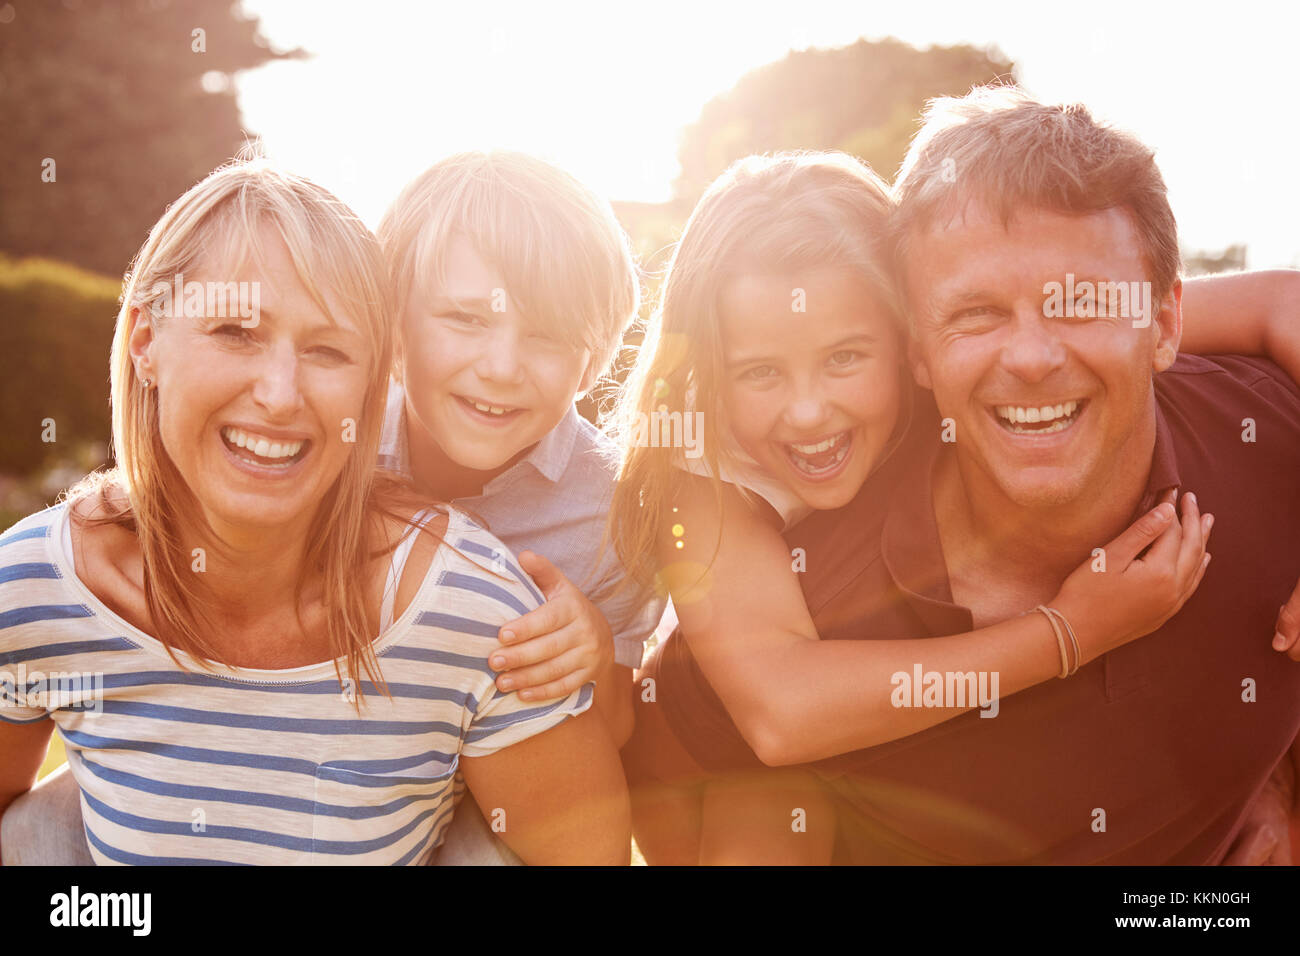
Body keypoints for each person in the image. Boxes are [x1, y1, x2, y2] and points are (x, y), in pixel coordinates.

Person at [619, 90, 1300, 864]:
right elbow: (770, 718)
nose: (1032, 356)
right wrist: (1068, 633)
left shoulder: (1239, 409)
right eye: (976, 314)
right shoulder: (736, 515)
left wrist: (1276, 778)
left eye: (845, 357)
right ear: (923, 349)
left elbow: (1280, 298)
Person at [0, 160, 630, 865]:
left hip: (474, 777)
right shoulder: (34, 585)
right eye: (236, 332)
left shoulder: (565, 543)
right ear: (145, 341)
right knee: (35, 835)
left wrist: (595, 658)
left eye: (328, 350)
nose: (279, 394)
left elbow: (612, 780)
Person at [372, 150, 664, 862]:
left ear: (592, 362)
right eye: (465, 319)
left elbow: (616, 729)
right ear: (394, 328)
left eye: (546, 336)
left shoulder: (613, 511)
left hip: (490, 812)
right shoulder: (332, 443)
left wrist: (593, 648)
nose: (502, 366)